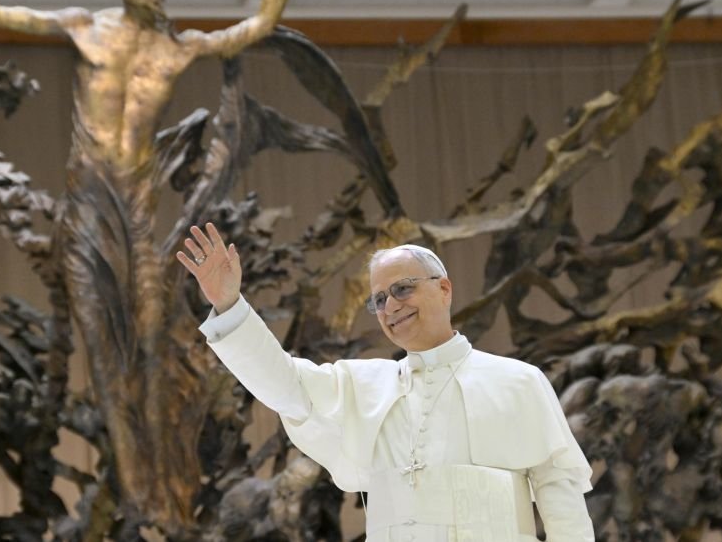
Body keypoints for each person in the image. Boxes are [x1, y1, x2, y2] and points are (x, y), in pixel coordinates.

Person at [177, 222, 595, 541]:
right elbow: (285, 386)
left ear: (444, 289)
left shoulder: (518, 380)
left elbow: (560, 497)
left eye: (402, 289)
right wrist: (229, 304)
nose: (390, 305)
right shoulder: (365, 385)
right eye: (379, 299)